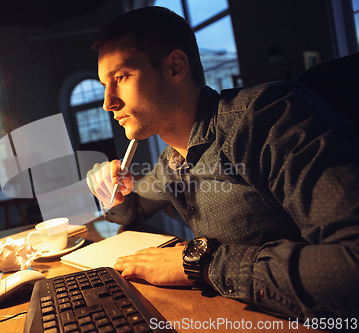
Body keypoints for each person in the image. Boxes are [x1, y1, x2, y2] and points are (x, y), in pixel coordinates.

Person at [86, 6, 359, 320]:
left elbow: (352, 261)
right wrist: (108, 190)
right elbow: (131, 209)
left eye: (121, 77)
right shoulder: (171, 161)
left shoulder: (269, 120)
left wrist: (200, 263)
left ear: (175, 67)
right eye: (105, 85)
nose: (108, 103)